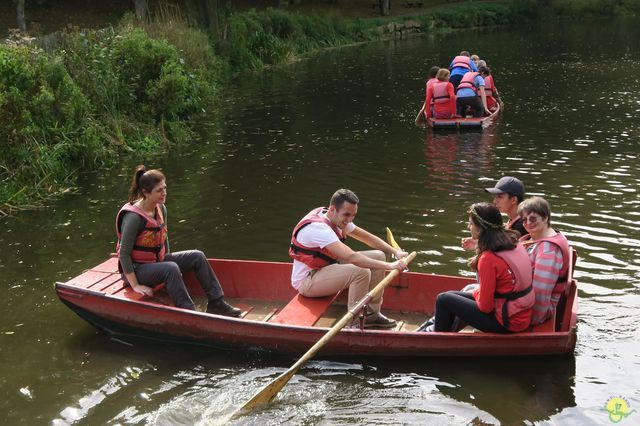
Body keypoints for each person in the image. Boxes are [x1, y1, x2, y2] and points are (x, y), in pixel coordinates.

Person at [115, 165, 242, 317]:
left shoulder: (161, 208)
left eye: (165, 188)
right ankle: (190, 313)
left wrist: (166, 261)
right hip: (136, 270)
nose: (164, 193)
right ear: (145, 192)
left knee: (197, 256)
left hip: (155, 263)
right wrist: (135, 285)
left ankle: (217, 302)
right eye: (159, 190)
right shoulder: (134, 217)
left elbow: (163, 237)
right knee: (171, 268)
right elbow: (123, 254)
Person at [289, 189, 408, 329]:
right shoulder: (319, 229)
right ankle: (355, 321)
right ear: (333, 209)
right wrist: (390, 266)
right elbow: (353, 257)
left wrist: (394, 251)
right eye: (346, 215)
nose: (350, 219)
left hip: (327, 267)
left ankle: (371, 314)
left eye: (353, 215)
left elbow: (367, 237)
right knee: (361, 271)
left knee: (379, 256)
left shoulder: (337, 217)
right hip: (308, 281)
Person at [418, 203, 534, 333]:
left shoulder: (488, 259)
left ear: (480, 229)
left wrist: (477, 293)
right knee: (451, 295)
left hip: (507, 322)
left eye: (471, 224)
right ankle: (438, 332)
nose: (468, 227)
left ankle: (437, 342)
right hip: (520, 315)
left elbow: (485, 307)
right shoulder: (514, 242)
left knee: (443, 299)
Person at [517, 196, 571, 325]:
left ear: (545, 217)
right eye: (524, 220)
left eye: (533, 219)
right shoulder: (538, 238)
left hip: (534, 311)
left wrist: (532, 318)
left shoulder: (548, 250)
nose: (528, 223)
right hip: (521, 299)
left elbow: (541, 291)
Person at [462, 176, 528, 251]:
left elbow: (504, 250)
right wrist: (478, 242)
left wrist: (478, 245)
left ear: (513, 200)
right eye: (495, 197)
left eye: (499, 197)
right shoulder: (515, 221)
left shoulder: (523, 225)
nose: (494, 201)